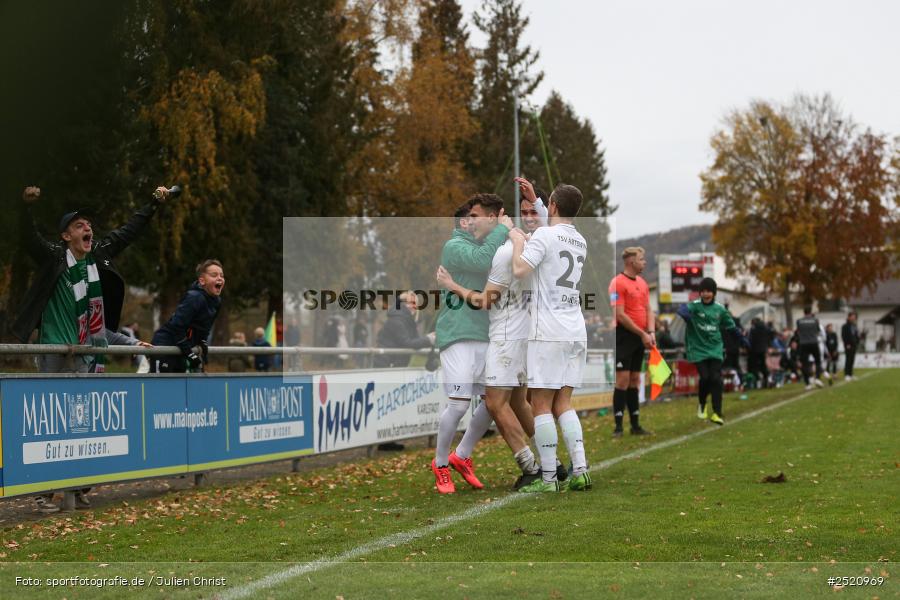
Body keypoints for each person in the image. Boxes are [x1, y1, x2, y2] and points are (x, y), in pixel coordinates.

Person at [12, 184, 166, 512]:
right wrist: (25, 208)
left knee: (83, 426)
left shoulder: (95, 261)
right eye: (80, 225)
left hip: (84, 356)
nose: (88, 229)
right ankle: (42, 493)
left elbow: (126, 233)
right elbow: (28, 238)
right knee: (52, 426)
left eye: (89, 226)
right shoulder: (55, 258)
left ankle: (79, 487)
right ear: (66, 236)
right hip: (54, 353)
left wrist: (152, 204)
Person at [436, 178, 561, 489]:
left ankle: (530, 467)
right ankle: (553, 465)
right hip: (525, 333)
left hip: (505, 334)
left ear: (495, 218)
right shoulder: (530, 243)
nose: (472, 224)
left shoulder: (504, 251)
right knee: (521, 403)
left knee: (493, 403)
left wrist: (453, 286)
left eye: (477, 217)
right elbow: (550, 232)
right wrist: (534, 212)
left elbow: (484, 299)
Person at [508, 183, 592, 493]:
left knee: (540, 403)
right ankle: (580, 469)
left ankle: (547, 479)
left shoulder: (543, 235)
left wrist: (517, 240)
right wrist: (537, 200)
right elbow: (556, 228)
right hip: (574, 328)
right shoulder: (580, 239)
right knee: (564, 403)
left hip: (548, 329)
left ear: (552, 207)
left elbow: (519, 269)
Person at [430, 195, 512, 494]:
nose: (479, 222)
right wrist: (503, 228)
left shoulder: (485, 244)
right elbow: (483, 261)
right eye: (474, 217)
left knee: (494, 401)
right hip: (458, 333)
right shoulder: (454, 246)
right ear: (465, 222)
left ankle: (461, 456)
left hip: (483, 333)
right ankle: (440, 464)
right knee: (459, 404)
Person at [676, 277, 747, 426]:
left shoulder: (720, 309)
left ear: (714, 293)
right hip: (698, 349)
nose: (706, 294)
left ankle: (717, 413)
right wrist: (686, 315)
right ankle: (702, 403)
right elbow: (682, 308)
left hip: (715, 348)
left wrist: (742, 339)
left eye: (709, 291)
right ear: (700, 293)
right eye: (703, 291)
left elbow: (731, 327)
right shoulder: (695, 306)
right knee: (705, 377)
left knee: (716, 379)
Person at [608, 246, 653, 437]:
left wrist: (650, 331)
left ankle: (635, 425)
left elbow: (649, 309)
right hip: (624, 337)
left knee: (635, 379)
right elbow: (620, 314)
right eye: (641, 259)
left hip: (640, 336)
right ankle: (618, 425)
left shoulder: (642, 283)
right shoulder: (617, 283)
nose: (644, 262)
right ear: (631, 261)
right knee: (623, 380)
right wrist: (642, 333)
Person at [150, 260, 224, 373]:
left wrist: (202, 341)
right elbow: (176, 327)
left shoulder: (217, 302)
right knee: (161, 387)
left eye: (222, 275)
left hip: (182, 348)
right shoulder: (194, 297)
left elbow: (204, 327)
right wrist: (189, 353)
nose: (219, 278)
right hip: (165, 346)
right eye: (214, 275)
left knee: (181, 387)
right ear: (202, 281)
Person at [374, 291, 434, 369]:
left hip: (396, 364)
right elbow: (406, 343)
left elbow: (416, 341)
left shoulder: (408, 321)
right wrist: (428, 339)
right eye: (408, 303)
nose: (412, 306)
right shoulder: (396, 320)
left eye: (414, 303)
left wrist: (430, 338)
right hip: (386, 364)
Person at [796, 306, 829, 390]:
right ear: (810, 312)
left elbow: (798, 332)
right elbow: (817, 331)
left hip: (803, 344)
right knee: (818, 361)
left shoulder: (799, 321)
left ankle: (808, 383)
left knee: (805, 363)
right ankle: (817, 378)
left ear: (804, 312)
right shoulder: (815, 321)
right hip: (814, 343)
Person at [747, 318, 772, 388]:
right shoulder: (765, 328)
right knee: (763, 365)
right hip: (763, 349)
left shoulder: (753, 329)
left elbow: (750, 340)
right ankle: (767, 378)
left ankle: (758, 380)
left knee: (754, 366)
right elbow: (770, 335)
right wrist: (768, 345)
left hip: (754, 350)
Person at [841, 311, 860, 381]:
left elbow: (856, 335)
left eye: (854, 317)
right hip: (848, 345)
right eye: (852, 316)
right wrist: (847, 344)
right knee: (848, 360)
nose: (854, 318)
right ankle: (847, 374)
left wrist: (857, 341)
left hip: (854, 345)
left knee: (852, 360)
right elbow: (844, 336)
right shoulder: (845, 326)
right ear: (849, 317)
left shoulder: (854, 326)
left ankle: (851, 374)